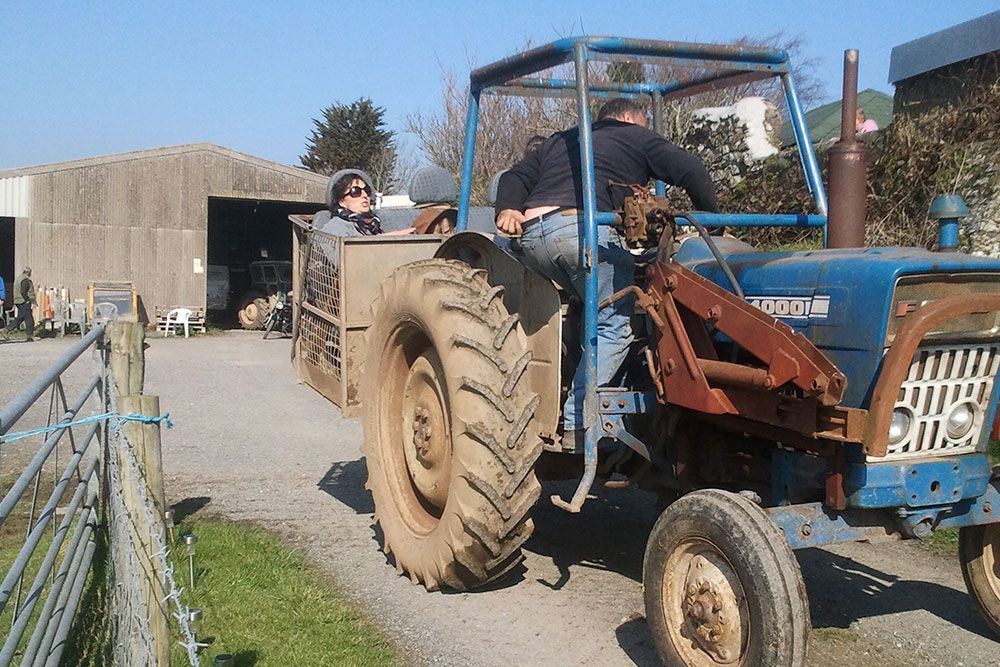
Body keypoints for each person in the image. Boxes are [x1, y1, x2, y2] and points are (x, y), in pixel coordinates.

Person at [494, 97, 719, 446]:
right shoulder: (634, 136)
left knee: (593, 306)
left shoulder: (561, 140)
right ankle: (577, 421)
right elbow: (691, 170)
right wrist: (714, 226)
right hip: (581, 231)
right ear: (629, 118)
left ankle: (582, 386)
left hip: (534, 236)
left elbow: (515, 176)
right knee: (617, 322)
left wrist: (507, 208)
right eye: (643, 123)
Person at [317, 172, 414, 237]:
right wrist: (387, 239)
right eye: (355, 191)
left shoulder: (374, 223)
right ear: (342, 201)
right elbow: (350, 261)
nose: (365, 195)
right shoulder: (333, 229)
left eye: (367, 190)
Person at [8, 267, 36, 342]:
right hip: (23, 301)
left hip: (18, 301)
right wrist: (27, 300)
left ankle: (7, 330)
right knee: (29, 319)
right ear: (29, 273)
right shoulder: (25, 280)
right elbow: (23, 291)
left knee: (21, 317)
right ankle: (29, 336)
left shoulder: (18, 278)